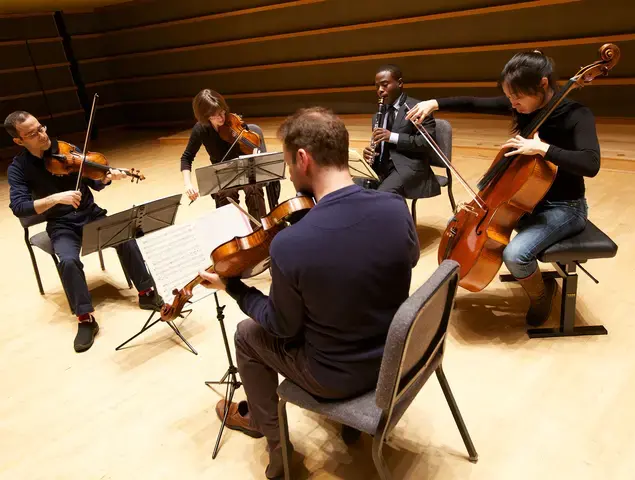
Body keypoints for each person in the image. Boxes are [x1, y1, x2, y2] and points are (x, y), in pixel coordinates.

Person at [198, 107, 420, 478]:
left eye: (288, 163)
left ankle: (274, 443)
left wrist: (233, 287)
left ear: (303, 159)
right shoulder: (395, 208)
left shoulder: (290, 244)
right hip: (398, 360)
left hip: (337, 378)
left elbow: (281, 327)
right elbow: (405, 261)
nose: (288, 173)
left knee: (247, 335)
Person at [406, 50, 600, 326]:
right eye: (509, 98)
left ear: (542, 85)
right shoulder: (524, 105)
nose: (512, 104)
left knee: (515, 255)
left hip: (565, 207)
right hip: (527, 201)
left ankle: (542, 295)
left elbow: (591, 163)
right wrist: (434, 102)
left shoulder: (577, 115)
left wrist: (543, 149)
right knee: (459, 225)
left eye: (517, 98)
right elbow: (474, 103)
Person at [5, 111, 164, 353]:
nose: (42, 135)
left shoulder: (66, 149)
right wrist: (55, 198)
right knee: (67, 261)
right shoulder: (19, 168)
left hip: (91, 215)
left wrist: (109, 177)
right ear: (19, 141)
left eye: (41, 127)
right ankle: (85, 319)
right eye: (32, 133)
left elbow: (95, 181)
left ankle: (146, 292)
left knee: (126, 236)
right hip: (61, 225)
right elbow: (19, 207)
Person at [180, 89, 279, 220]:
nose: (221, 118)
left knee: (253, 188)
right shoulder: (201, 129)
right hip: (223, 174)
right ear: (205, 116)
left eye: (222, 112)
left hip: (245, 170)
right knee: (227, 193)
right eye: (215, 115)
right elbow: (187, 157)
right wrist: (188, 184)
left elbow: (251, 142)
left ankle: (259, 229)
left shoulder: (233, 121)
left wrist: (255, 154)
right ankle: (234, 233)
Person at [362, 64, 441, 199]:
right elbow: (379, 145)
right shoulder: (379, 114)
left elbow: (426, 143)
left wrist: (392, 137)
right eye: (377, 86)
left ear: (399, 83)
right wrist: (370, 153)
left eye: (385, 84)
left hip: (408, 168)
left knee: (383, 195)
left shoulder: (418, 109)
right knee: (353, 189)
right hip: (382, 168)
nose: (380, 90)